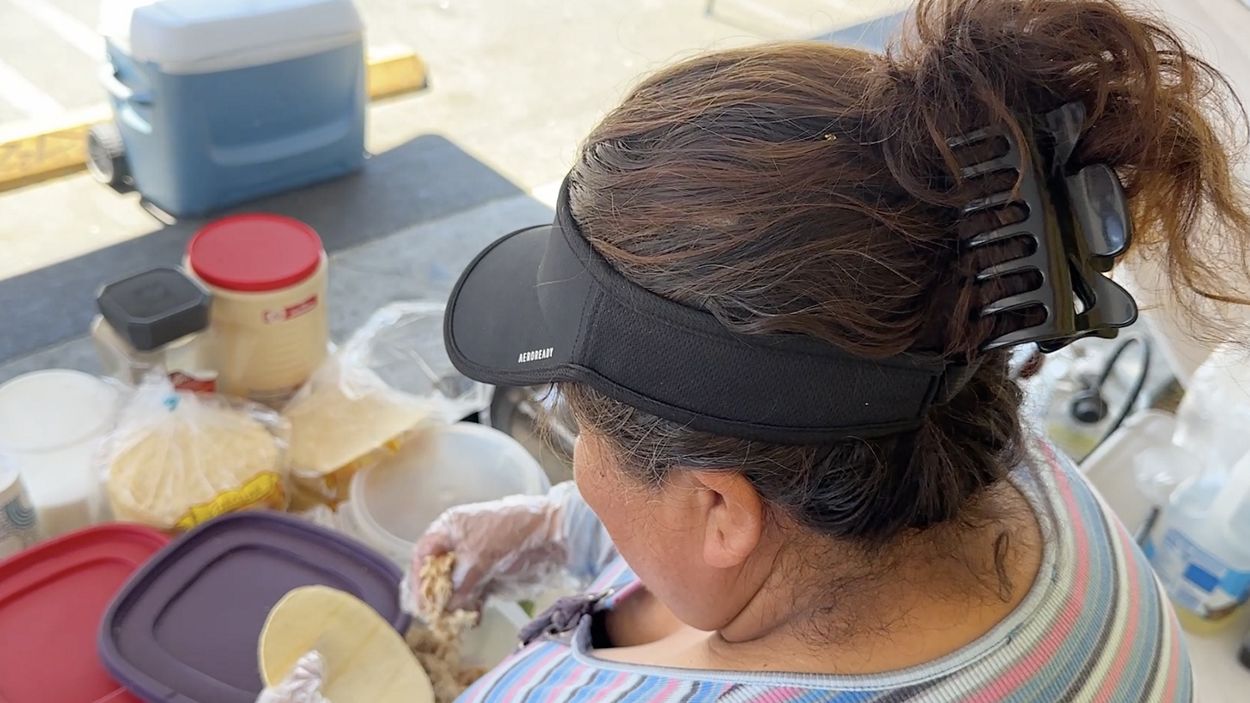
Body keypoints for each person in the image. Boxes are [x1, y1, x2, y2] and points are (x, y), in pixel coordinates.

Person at [415, 0, 1250, 700]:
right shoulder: (1007, 461)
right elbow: (748, 513)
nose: (580, 466)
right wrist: (565, 526)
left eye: (581, 425)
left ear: (719, 510)